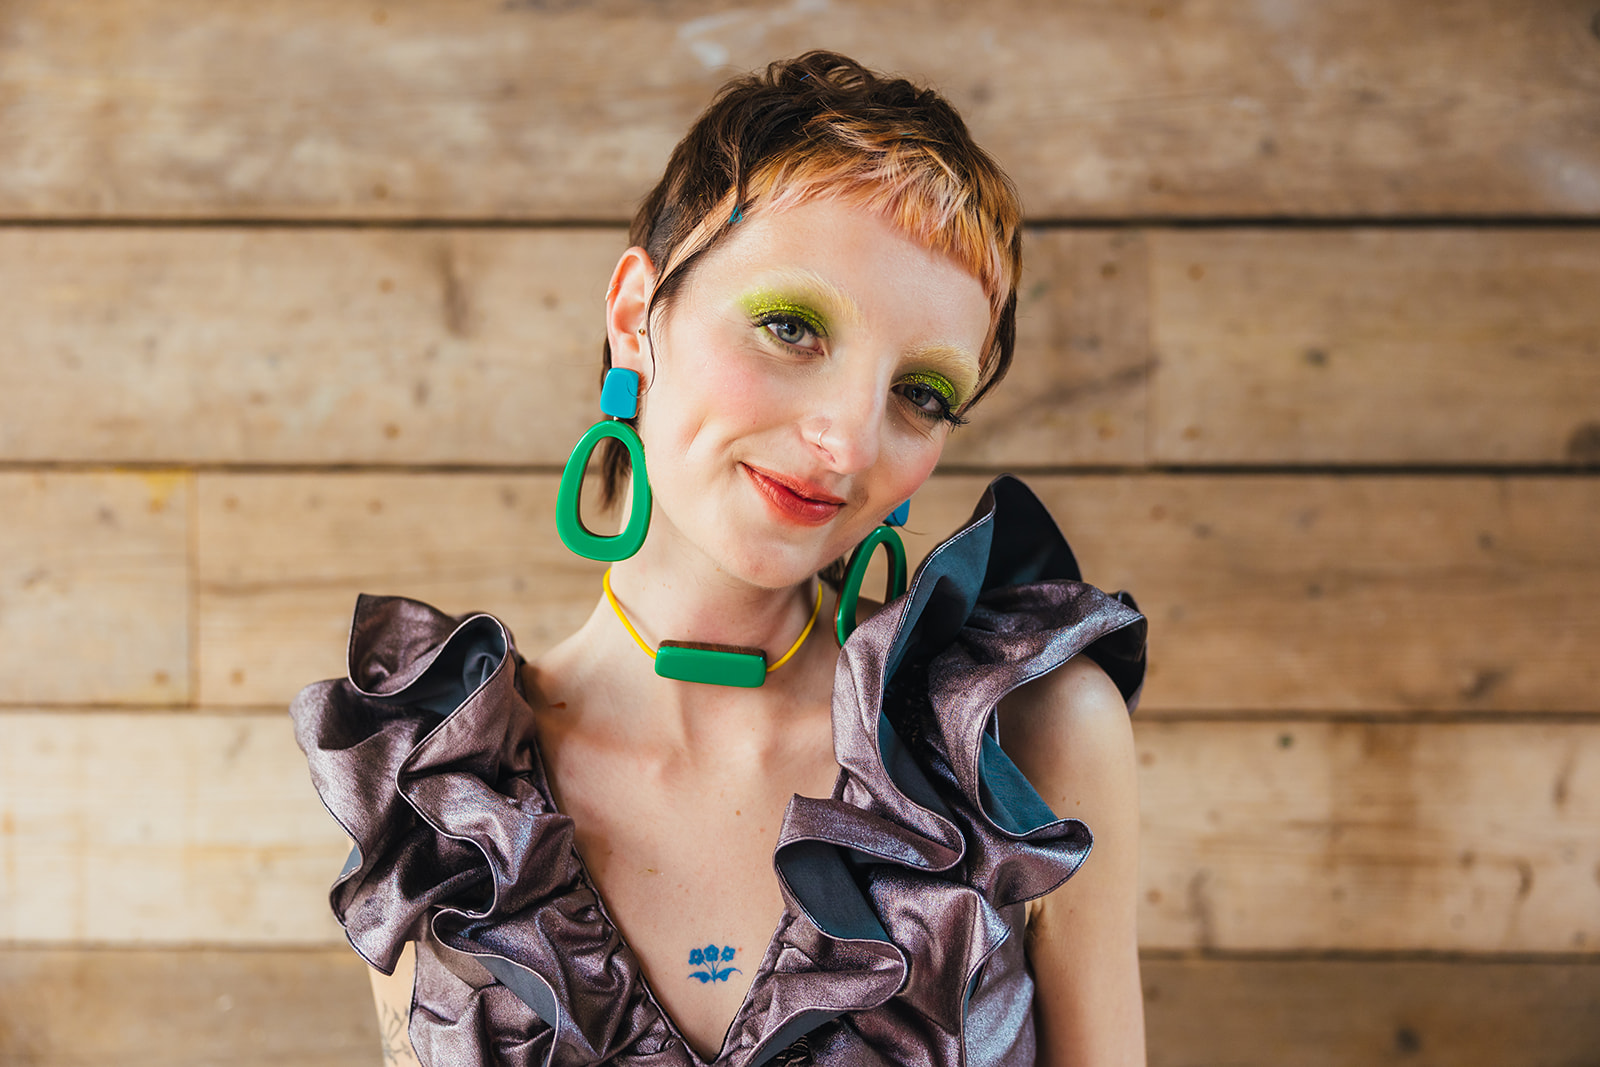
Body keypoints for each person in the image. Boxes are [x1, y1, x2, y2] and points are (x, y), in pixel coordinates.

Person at [292, 50, 1148, 1067]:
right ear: (633, 319)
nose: (848, 443)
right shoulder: (434, 789)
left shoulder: (1027, 741)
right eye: (791, 327)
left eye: (920, 392)